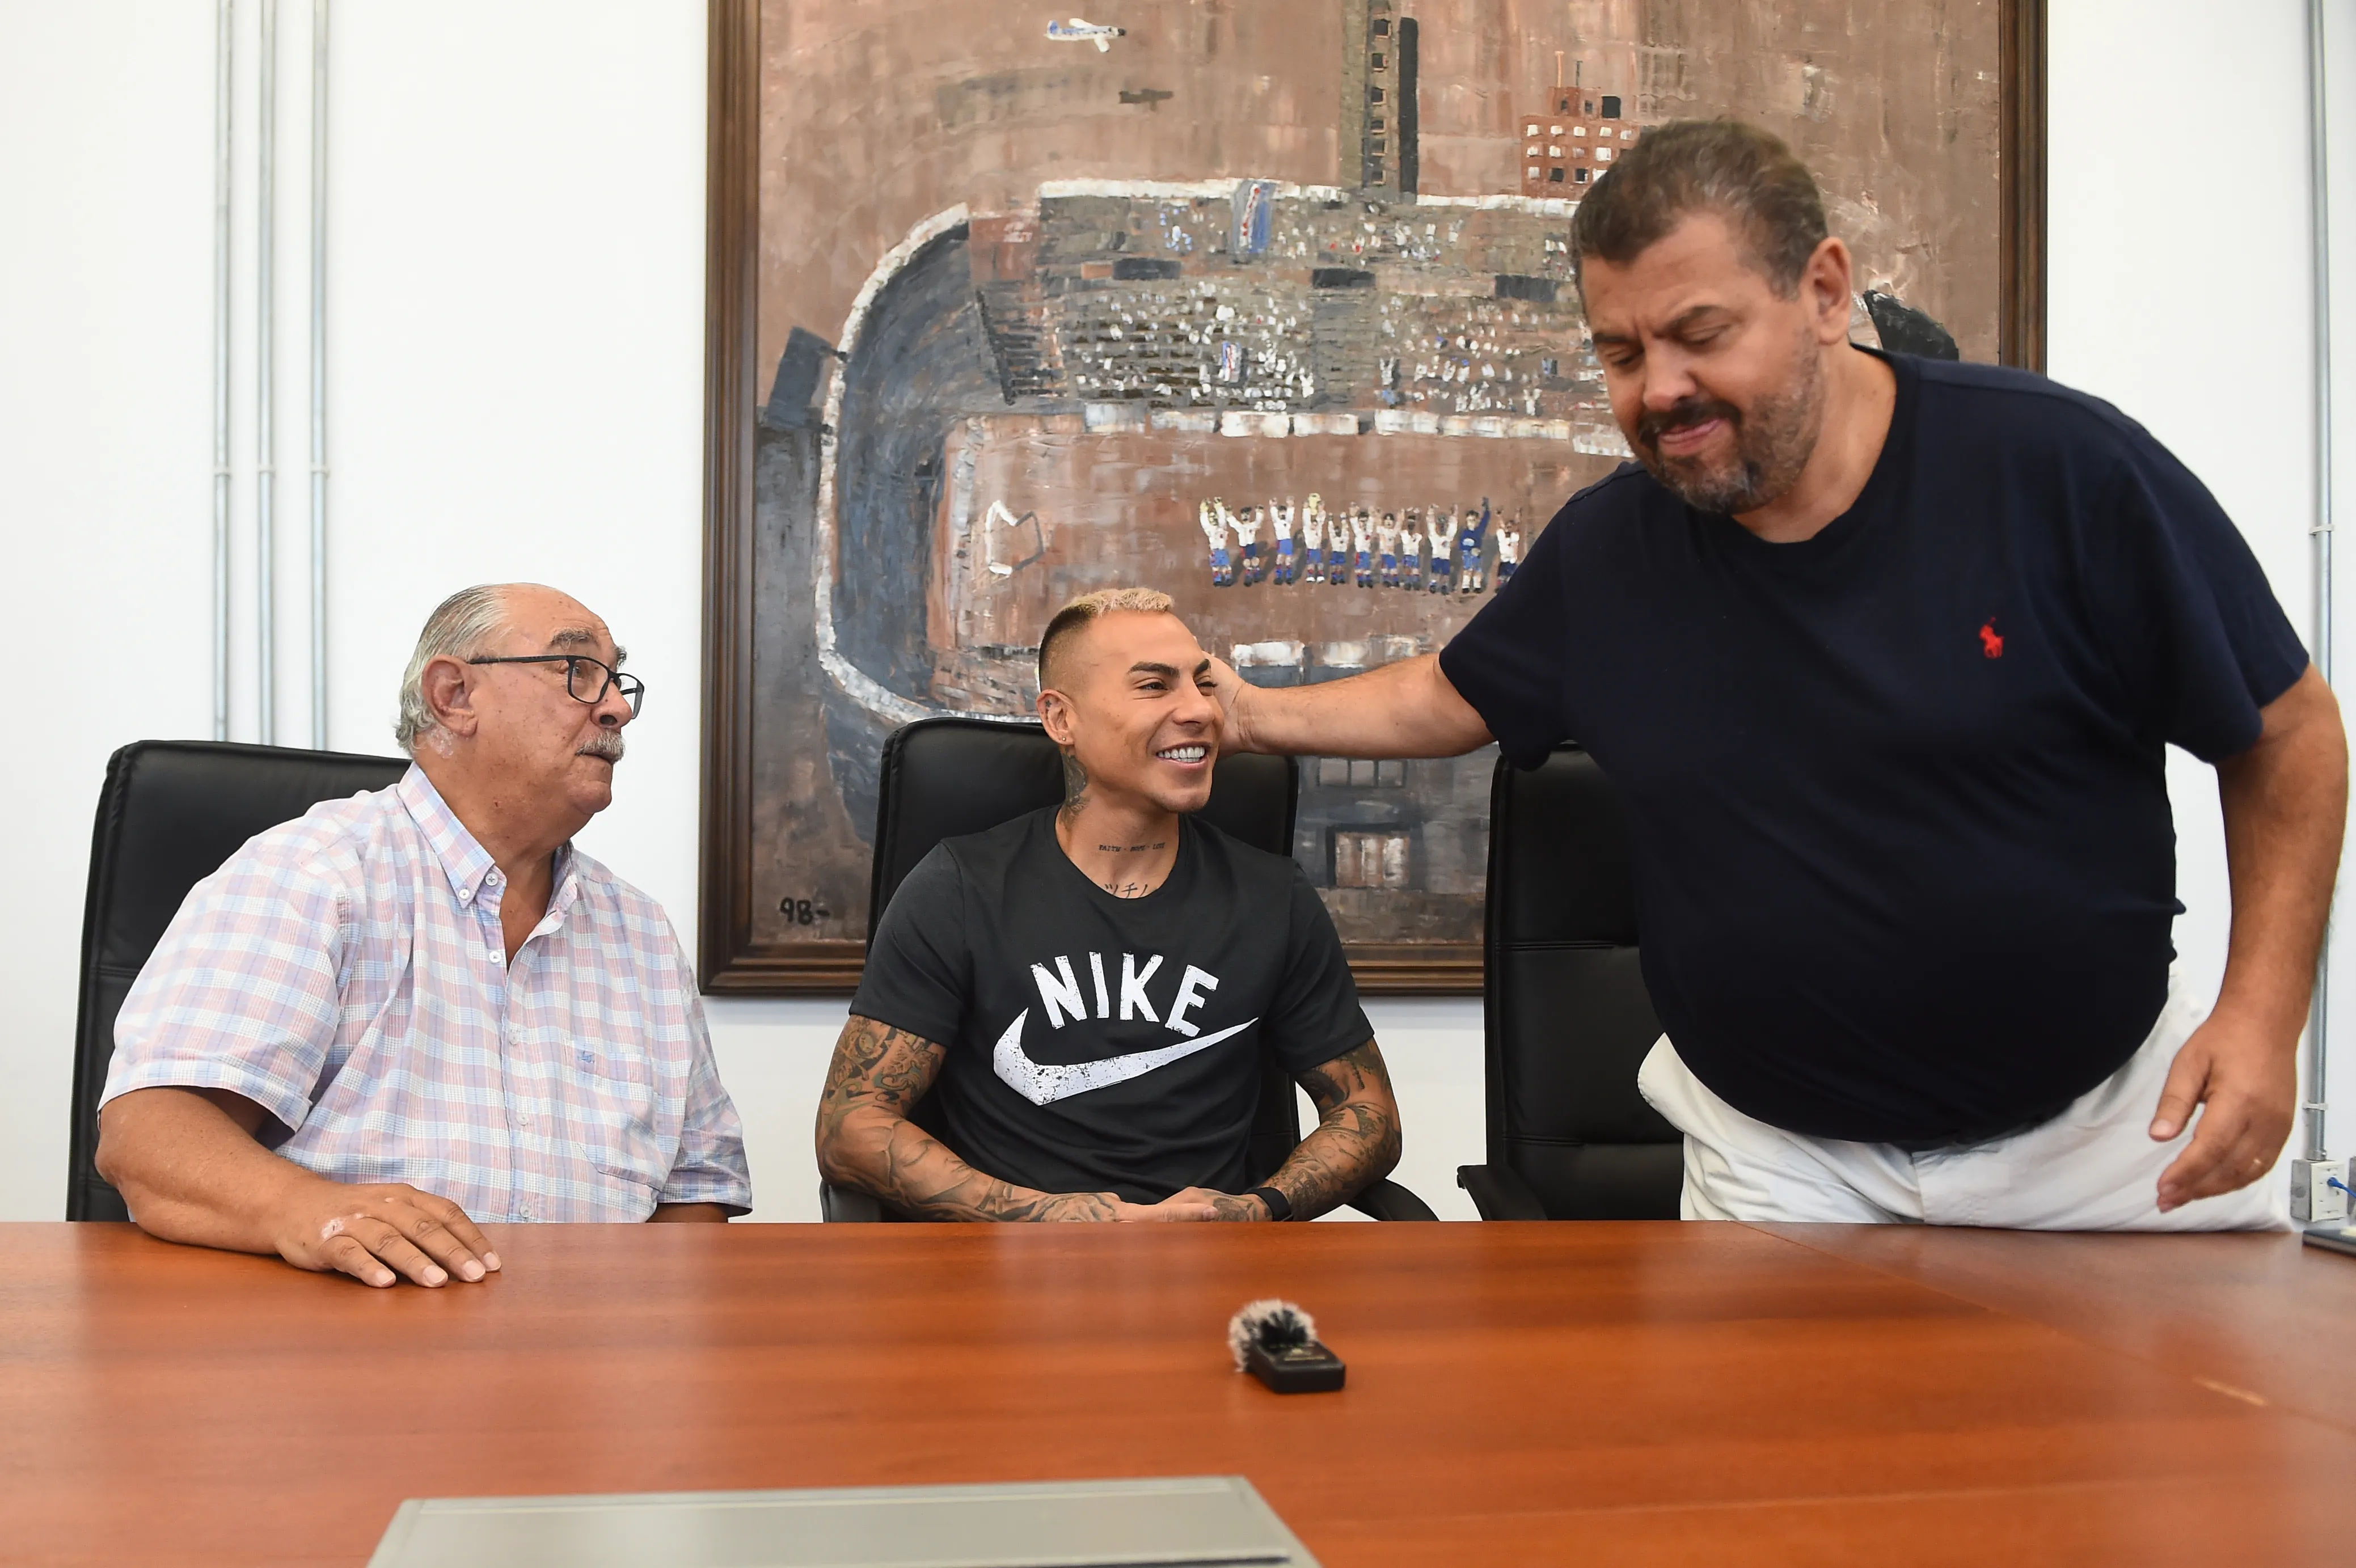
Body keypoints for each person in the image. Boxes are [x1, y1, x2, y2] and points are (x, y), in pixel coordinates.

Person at [1209, 120, 2347, 1231]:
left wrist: (2261, 1018)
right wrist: (1249, 715)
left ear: (1824, 293)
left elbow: (2287, 733)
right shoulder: (1611, 548)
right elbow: (1450, 695)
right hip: (1780, 1168)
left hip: (2104, 1149)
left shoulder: (2062, 474)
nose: (1660, 388)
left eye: (1700, 334)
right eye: (1620, 353)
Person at [96, 584, 753, 1287]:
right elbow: (150, 1136)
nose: (616, 706)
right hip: (352, 1323)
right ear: (454, 695)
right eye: (576, 670)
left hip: (585, 1332)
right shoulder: (312, 877)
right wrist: (313, 1210)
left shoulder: (640, 931)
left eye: (616, 679)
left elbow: (697, 1184)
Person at [815, 588, 1404, 1221]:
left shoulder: (1271, 895)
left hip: (1212, 1257)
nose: (1200, 710)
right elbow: (852, 1124)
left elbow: (1368, 1114)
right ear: (1061, 719)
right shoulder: (959, 887)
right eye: (1154, 686)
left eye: (1204, 684)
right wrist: (1057, 1218)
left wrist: (1259, 1208)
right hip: (1012, 1258)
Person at [1456, 497, 1491, 593]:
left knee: (1477, 570)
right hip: (1467, 555)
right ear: (1467, 521)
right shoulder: (1464, 533)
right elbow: (1461, 545)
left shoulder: (1479, 531)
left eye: (1474, 520)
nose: (1471, 522)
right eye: (1470, 520)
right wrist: (1468, 550)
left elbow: (1485, 521)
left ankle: (1477, 586)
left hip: (1476, 555)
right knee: (1467, 570)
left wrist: (1486, 509)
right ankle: (1465, 586)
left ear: (1477, 521)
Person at [1198, 499, 1232, 588]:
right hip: (1214, 551)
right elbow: (1204, 522)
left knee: (1226, 566)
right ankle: (1218, 580)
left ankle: (1228, 578)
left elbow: (1222, 518)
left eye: (1214, 517)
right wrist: (1203, 512)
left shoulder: (1222, 527)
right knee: (1215, 567)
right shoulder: (1209, 528)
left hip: (1223, 550)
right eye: (1211, 518)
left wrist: (1219, 507)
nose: (1213, 519)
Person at [1425, 505, 1454, 593]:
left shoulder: (1448, 536)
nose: (1442, 527)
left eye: (1443, 525)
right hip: (1437, 557)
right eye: (1440, 524)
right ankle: (1434, 584)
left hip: (1445, 557)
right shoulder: (1435, 535)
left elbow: (1453, 525)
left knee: (1445, 573)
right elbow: (1430, 523)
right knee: (1436, 572)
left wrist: (1454, 514)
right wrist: (1430, 511)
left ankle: (1444, 586)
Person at [1302, 493, 1328, 585]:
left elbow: (1321, 519)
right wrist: (1306, 509)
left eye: (1316, 525)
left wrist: (1321, 510)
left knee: (1320, 562)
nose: (1314, 526)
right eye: (1313, 525)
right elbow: (1306, 520)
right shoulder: (1307, 529)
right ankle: (1311, 575)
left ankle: (1320, 575)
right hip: (1310, 549)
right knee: (1311, 562)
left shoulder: (1318, 528)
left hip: (1317, 548)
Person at [1270, 497, 1298, 585]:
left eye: (1284, 512)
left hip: (1288, 541)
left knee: (1288, 559)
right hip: (1281, 542)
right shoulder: (1276, 521)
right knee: (1280, 559)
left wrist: (1291, 506)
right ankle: (1279, 577)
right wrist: (1273, 506)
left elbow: (1291, 515)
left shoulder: (1288, 520)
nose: (1282, 514)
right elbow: (1273, 515)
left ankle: (1289, 577)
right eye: (1281, 512)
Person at [1401, 507, 1426, 591]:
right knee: (1408, 569)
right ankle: (1408, 582)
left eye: (1413, 523)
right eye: (1410, 523)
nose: (1411, 525)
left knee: (1416, 570)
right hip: (1407, 555)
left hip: (1415, 555)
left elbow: (1422, 529)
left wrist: (1420, 516)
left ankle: (1415, 582)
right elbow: (1403, 525)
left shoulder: (1417, 535)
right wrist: (1406, 514)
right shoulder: (1404, 534)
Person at [1350, 506, 1375, 588]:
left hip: (1367, 552)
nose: (1364, 523)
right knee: (1359, 566)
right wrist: (1354, 512)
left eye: (1365, 521)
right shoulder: (1357, 530)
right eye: (1362, 521)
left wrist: (1371, 514)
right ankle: (1360, 580)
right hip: (1360, 552)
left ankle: (1368, 579)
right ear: (1359, 522)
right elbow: (1353, 521)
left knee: (1367, 565)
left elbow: (1371, 522)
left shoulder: (1369, 530)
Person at [1494, 516, 1523, 585]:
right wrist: (1500, 516)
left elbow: (1515, 547)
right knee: (1501, 579)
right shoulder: (1501, 535)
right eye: (1507, 527)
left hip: (1511, 561)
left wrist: (1515, 557)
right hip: (1504, 562)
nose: (1508, 529)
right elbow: (1501, 526)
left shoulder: (1514, 536)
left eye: (1510, 527)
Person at [1377, 511, 1401, 588]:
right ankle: (1386, 580)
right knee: (1384, 566)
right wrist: (1378, 515)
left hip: (1391, 553)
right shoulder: (1382, 529)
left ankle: (1395, 581)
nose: (1388, 522)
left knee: (1392, 566)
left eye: (1390, 520)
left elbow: (1398, 526)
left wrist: (1400, 518)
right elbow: (1382, 536)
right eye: (1387, 520)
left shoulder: (1393, 532)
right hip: (1384, 552)